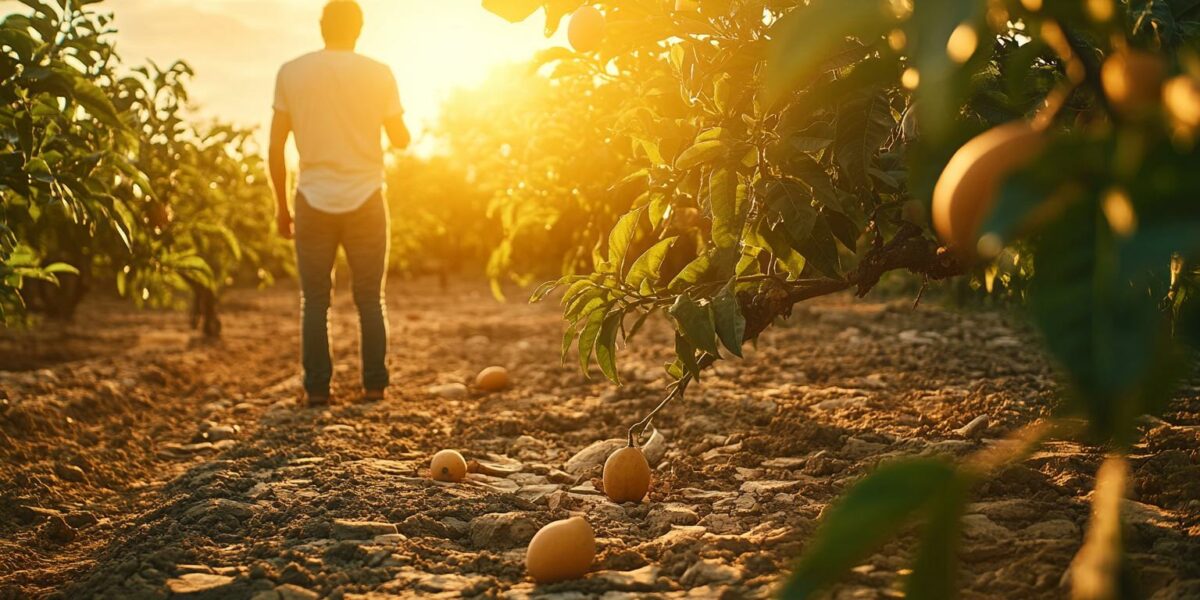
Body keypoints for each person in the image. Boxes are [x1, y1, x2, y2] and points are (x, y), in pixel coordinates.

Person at [269, 0, 410, 405]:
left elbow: (276, 145)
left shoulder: (291, 72)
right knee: (369, 297)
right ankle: (374, 385)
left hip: (312, 196)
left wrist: (281, 205)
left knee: (315, 300)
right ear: (360, 28)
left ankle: (316, 390)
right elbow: (400, 139)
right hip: (366, 195)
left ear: (321, 26)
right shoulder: (380, 73)